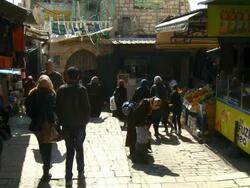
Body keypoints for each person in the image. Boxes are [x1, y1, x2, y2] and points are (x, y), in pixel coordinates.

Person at [56, 66, 90, 187]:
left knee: (70, 151)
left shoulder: (61, 90)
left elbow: (57, 109)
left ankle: (68, 178)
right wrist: (84, 122)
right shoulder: (82, 90)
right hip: (80, 126)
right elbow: (87, 109)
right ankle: (81, 171)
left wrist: (59, 125)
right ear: (78, 77)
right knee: (79, 148)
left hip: (67, 126)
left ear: (68, 77)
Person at [25, 75, 56, 182]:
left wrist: (35, 117)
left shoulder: (32, 93)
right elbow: (54, 110)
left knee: (42, 146)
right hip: (47, 125)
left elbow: (28, 110)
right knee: (48, 147)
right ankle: (46, 172)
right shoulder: (51, 94)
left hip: (36, 126)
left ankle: (45, 168)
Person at [125, 97, 161, 164]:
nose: (156, 107)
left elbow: (150, 116)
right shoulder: (145, 103)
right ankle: (134, 154)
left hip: (141, 123)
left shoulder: (151, 104)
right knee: (134, 136)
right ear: (153, 103)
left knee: (141, 138)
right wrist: (142, 124)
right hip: (134, 121)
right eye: (155, 106)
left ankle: (140, 153)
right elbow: (138, 114)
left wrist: (147, 124)